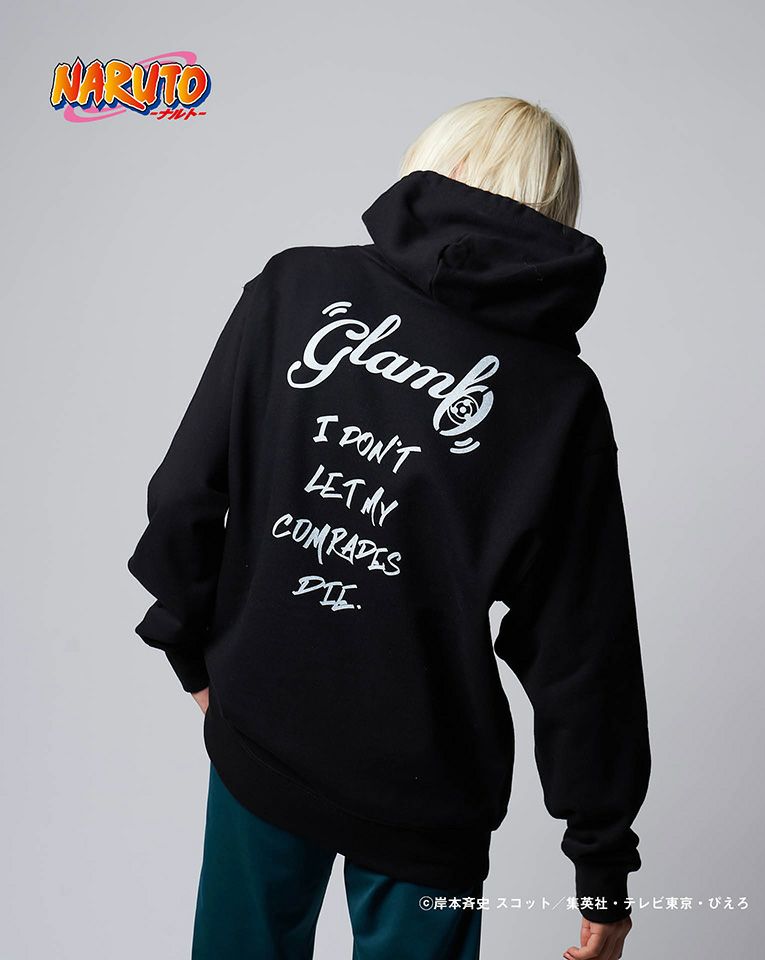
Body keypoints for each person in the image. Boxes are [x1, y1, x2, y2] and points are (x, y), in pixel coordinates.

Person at [127, 95, 652, 960]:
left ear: (435, 162)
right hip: (431, 784)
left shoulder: (295, 289)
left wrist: (191, 647)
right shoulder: (560, 398)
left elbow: (184, 495)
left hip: (265, 731)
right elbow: (582, 652)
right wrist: (602, 867)